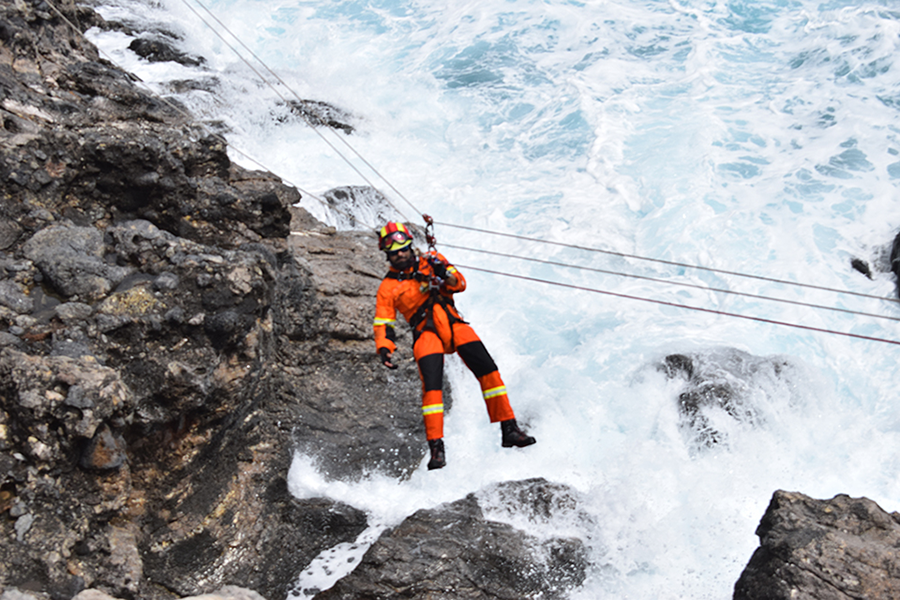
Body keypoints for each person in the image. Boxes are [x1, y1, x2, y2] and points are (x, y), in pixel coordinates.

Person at [372, 221, 535, 470]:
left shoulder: (432, 261)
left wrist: (444, 271)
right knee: (432, 390)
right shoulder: (388, 287)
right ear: (387, 254)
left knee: (489, 371)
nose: (400, 254)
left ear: (410, 246)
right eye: (394, 252)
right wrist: (384, 348)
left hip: (454, 324)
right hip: (426, 334)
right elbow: (384, 322)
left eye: (403, 248)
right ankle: (436, 449)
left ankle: (509, 429)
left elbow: (459, 283)